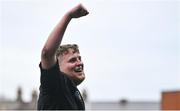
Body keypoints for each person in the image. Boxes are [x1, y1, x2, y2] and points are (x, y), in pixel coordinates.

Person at [37, 4, 89, 110]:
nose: (79, 63)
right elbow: (46, 53)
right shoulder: (54, 84)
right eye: (72, 60)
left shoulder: (73, 94)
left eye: (79, 58)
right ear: (57, 66)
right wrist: (69, 16)